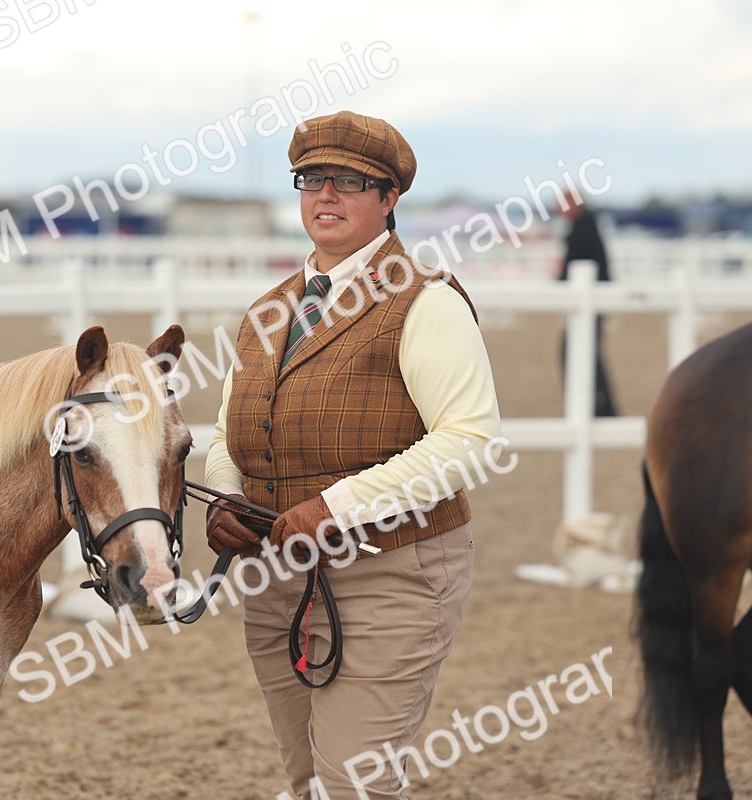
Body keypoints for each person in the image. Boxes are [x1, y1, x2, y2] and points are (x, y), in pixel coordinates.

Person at [203, 110, 502, 800]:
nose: (326, 195)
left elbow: (470, 440)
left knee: (352, 783)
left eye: (350, 181)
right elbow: (228, 433)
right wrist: (226, 498)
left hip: (392, 573)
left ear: (390, 197)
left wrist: (335, 506)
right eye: (312, 179)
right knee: (307, 776)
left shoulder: (425, 303)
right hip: (276, 576)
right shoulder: (267, 312)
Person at [556, 192, 618, 417]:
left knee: (576, 352)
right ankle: (601, 406)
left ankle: (598, 407)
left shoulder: (581, 228)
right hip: (594, 297)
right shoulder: (586, 225)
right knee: (588, 352)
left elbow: (574, 264)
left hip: (591, 297)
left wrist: (559, 280)